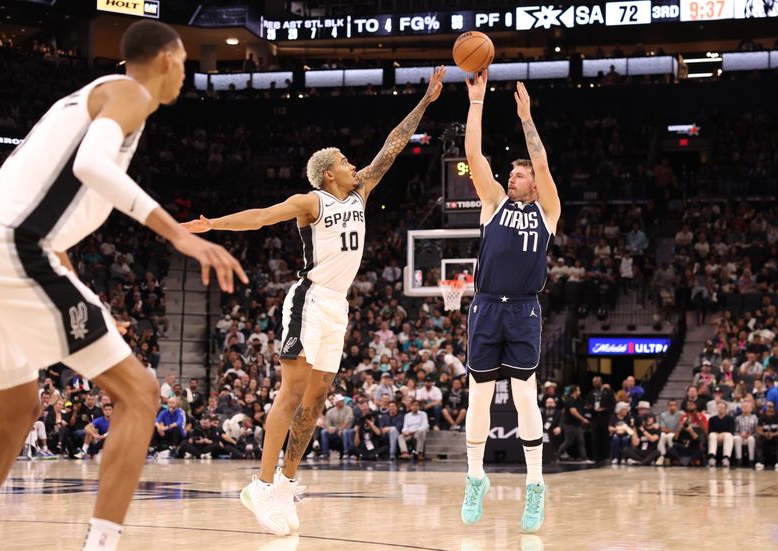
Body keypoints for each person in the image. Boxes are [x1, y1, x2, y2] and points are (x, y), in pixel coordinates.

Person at [0, 20, 245, 551]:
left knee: (18, 409)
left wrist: (86, 293)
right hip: (11, 251)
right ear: (169, 58)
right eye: (186, 65)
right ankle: (102, 545)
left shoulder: (82, 99)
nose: (183, 76)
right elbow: (91, 164)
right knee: (141, 394)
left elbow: (52, 216)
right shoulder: (130, 93)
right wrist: (179, 237)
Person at [183, 67, 446, 535]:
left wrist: (426, 101)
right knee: (292, 391)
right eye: (346, 161)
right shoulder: (312, 202)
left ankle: (285, 481)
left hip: (338, 306)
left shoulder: (360, 193)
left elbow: (392, 146)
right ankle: (260, 485)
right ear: (329, 173)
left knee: (317, 399)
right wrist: (213, 224)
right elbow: (262, 216)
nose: (354, 164)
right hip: (309, 299)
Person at [460, 75, 561, 533]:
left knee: (524, 395)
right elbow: (473, 155)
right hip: (486, 306)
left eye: (519, 175)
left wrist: (526, 118)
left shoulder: (547, 211)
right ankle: (475, 476)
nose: (511, 177)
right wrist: (477, 101)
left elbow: (540, 158)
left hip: (524, 308)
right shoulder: (493, 203)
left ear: (534, 184)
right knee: (478, 394)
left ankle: (535, 486)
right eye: (511, 174)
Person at [558, 386, 590, 461]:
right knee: (568, 442)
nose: (580, 392)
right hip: (570, 425)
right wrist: (583, 419)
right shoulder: (570, 400)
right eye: (578, 390)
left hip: (577, 425)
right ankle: (557, 456)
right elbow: (573, 412)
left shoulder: (577, 400)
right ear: (574, 391)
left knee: (581, 441)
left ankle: (584, 458)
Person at [588, 376, 615, 462]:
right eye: (594, 382)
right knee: (595, 438)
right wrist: (590, 407)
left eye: (597, 382)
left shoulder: (609, 392)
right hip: (595, 418)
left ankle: (606, 456)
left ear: (601, 382)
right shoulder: (592, 393)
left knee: (605, 437)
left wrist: (604, 409)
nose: (595, 383)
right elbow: (587, 403)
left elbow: (613, 404)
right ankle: (596, 457)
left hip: (605, 417)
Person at [707, 401, 734, 467]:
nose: (720, 409)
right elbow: (710, 430)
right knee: (712, 435)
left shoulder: (730, 419)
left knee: (729, 436)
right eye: (719, 408)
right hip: (716, 436)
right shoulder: (712, 419)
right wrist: (718, 435)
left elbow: (731, 431)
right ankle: (712, 457)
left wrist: (723, 434)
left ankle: (726, 458)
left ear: (725, 409)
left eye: (722, 408)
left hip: (725, 437)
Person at [656, 400, 681, 466]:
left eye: (674, 405)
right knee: (662, 435)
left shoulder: (681, 415)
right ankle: (662, 455)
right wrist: (673, 432)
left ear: (677, 407)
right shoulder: (663, 415)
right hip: (668, 432)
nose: (672, 407)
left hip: (677, 434)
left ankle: (672, 455)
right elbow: (663, 428)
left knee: (670, 436)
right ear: (668, 406)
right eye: (670, 405)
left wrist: (676, 432)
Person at [755, 401, 778, 470]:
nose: (768, 409)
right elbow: (758, 430)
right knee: (759, 439)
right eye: (767, 407)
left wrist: (773, 434)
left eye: (770, 407)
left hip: (775, 436)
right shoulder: (762, 417)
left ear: (774, 408)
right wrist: (765, 434)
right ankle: (760, 462)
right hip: (764, 436)